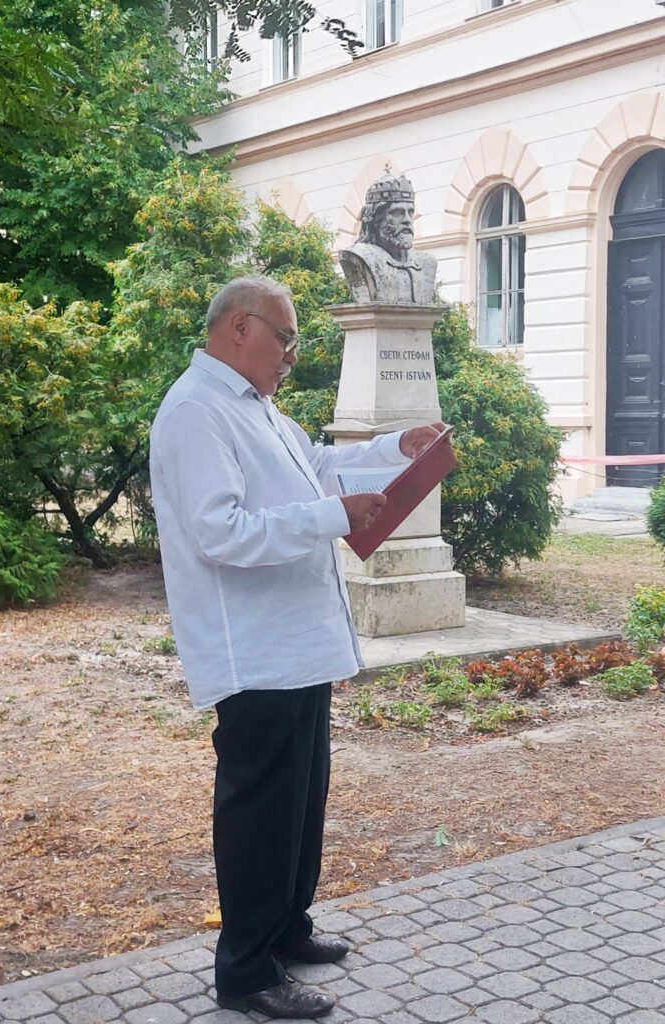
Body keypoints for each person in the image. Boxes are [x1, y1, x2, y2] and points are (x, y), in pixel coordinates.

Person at [149, 276, 443, 1019]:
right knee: (260, 814)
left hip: (297, 645)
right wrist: (331, 516)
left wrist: (394, 448)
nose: (292, 356)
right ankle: (247, 971)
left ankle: (286, 926)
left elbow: (314, 467)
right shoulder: (196, 412)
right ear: (240, 328)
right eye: (286, 339)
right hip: (255, 651)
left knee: (300, 805)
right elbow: (220, 533)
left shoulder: (254, 407)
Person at [340, 171, 438, 305]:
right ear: (376, 219)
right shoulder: (360, 256)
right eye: (398, 213)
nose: (407, 220)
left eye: (410, 212)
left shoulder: (427, 263)